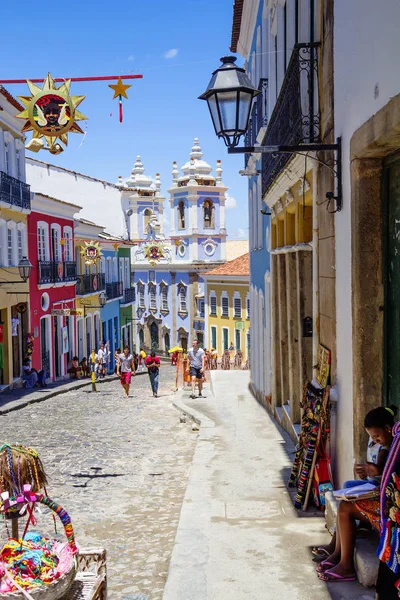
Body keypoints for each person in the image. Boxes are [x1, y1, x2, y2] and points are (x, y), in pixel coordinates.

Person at [316, 406, 397, 583]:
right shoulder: (390, 444)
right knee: (345, 494)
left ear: (388, 428)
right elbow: (384, 474)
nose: (375, 440)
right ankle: (338, 553)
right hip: (385, 496)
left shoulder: (395, 446)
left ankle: (344, 564)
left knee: (345, 507)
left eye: (377, 436)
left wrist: (377, 472)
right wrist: (371, 472)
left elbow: (390, 477)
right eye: (372, 437)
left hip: (391, 506)